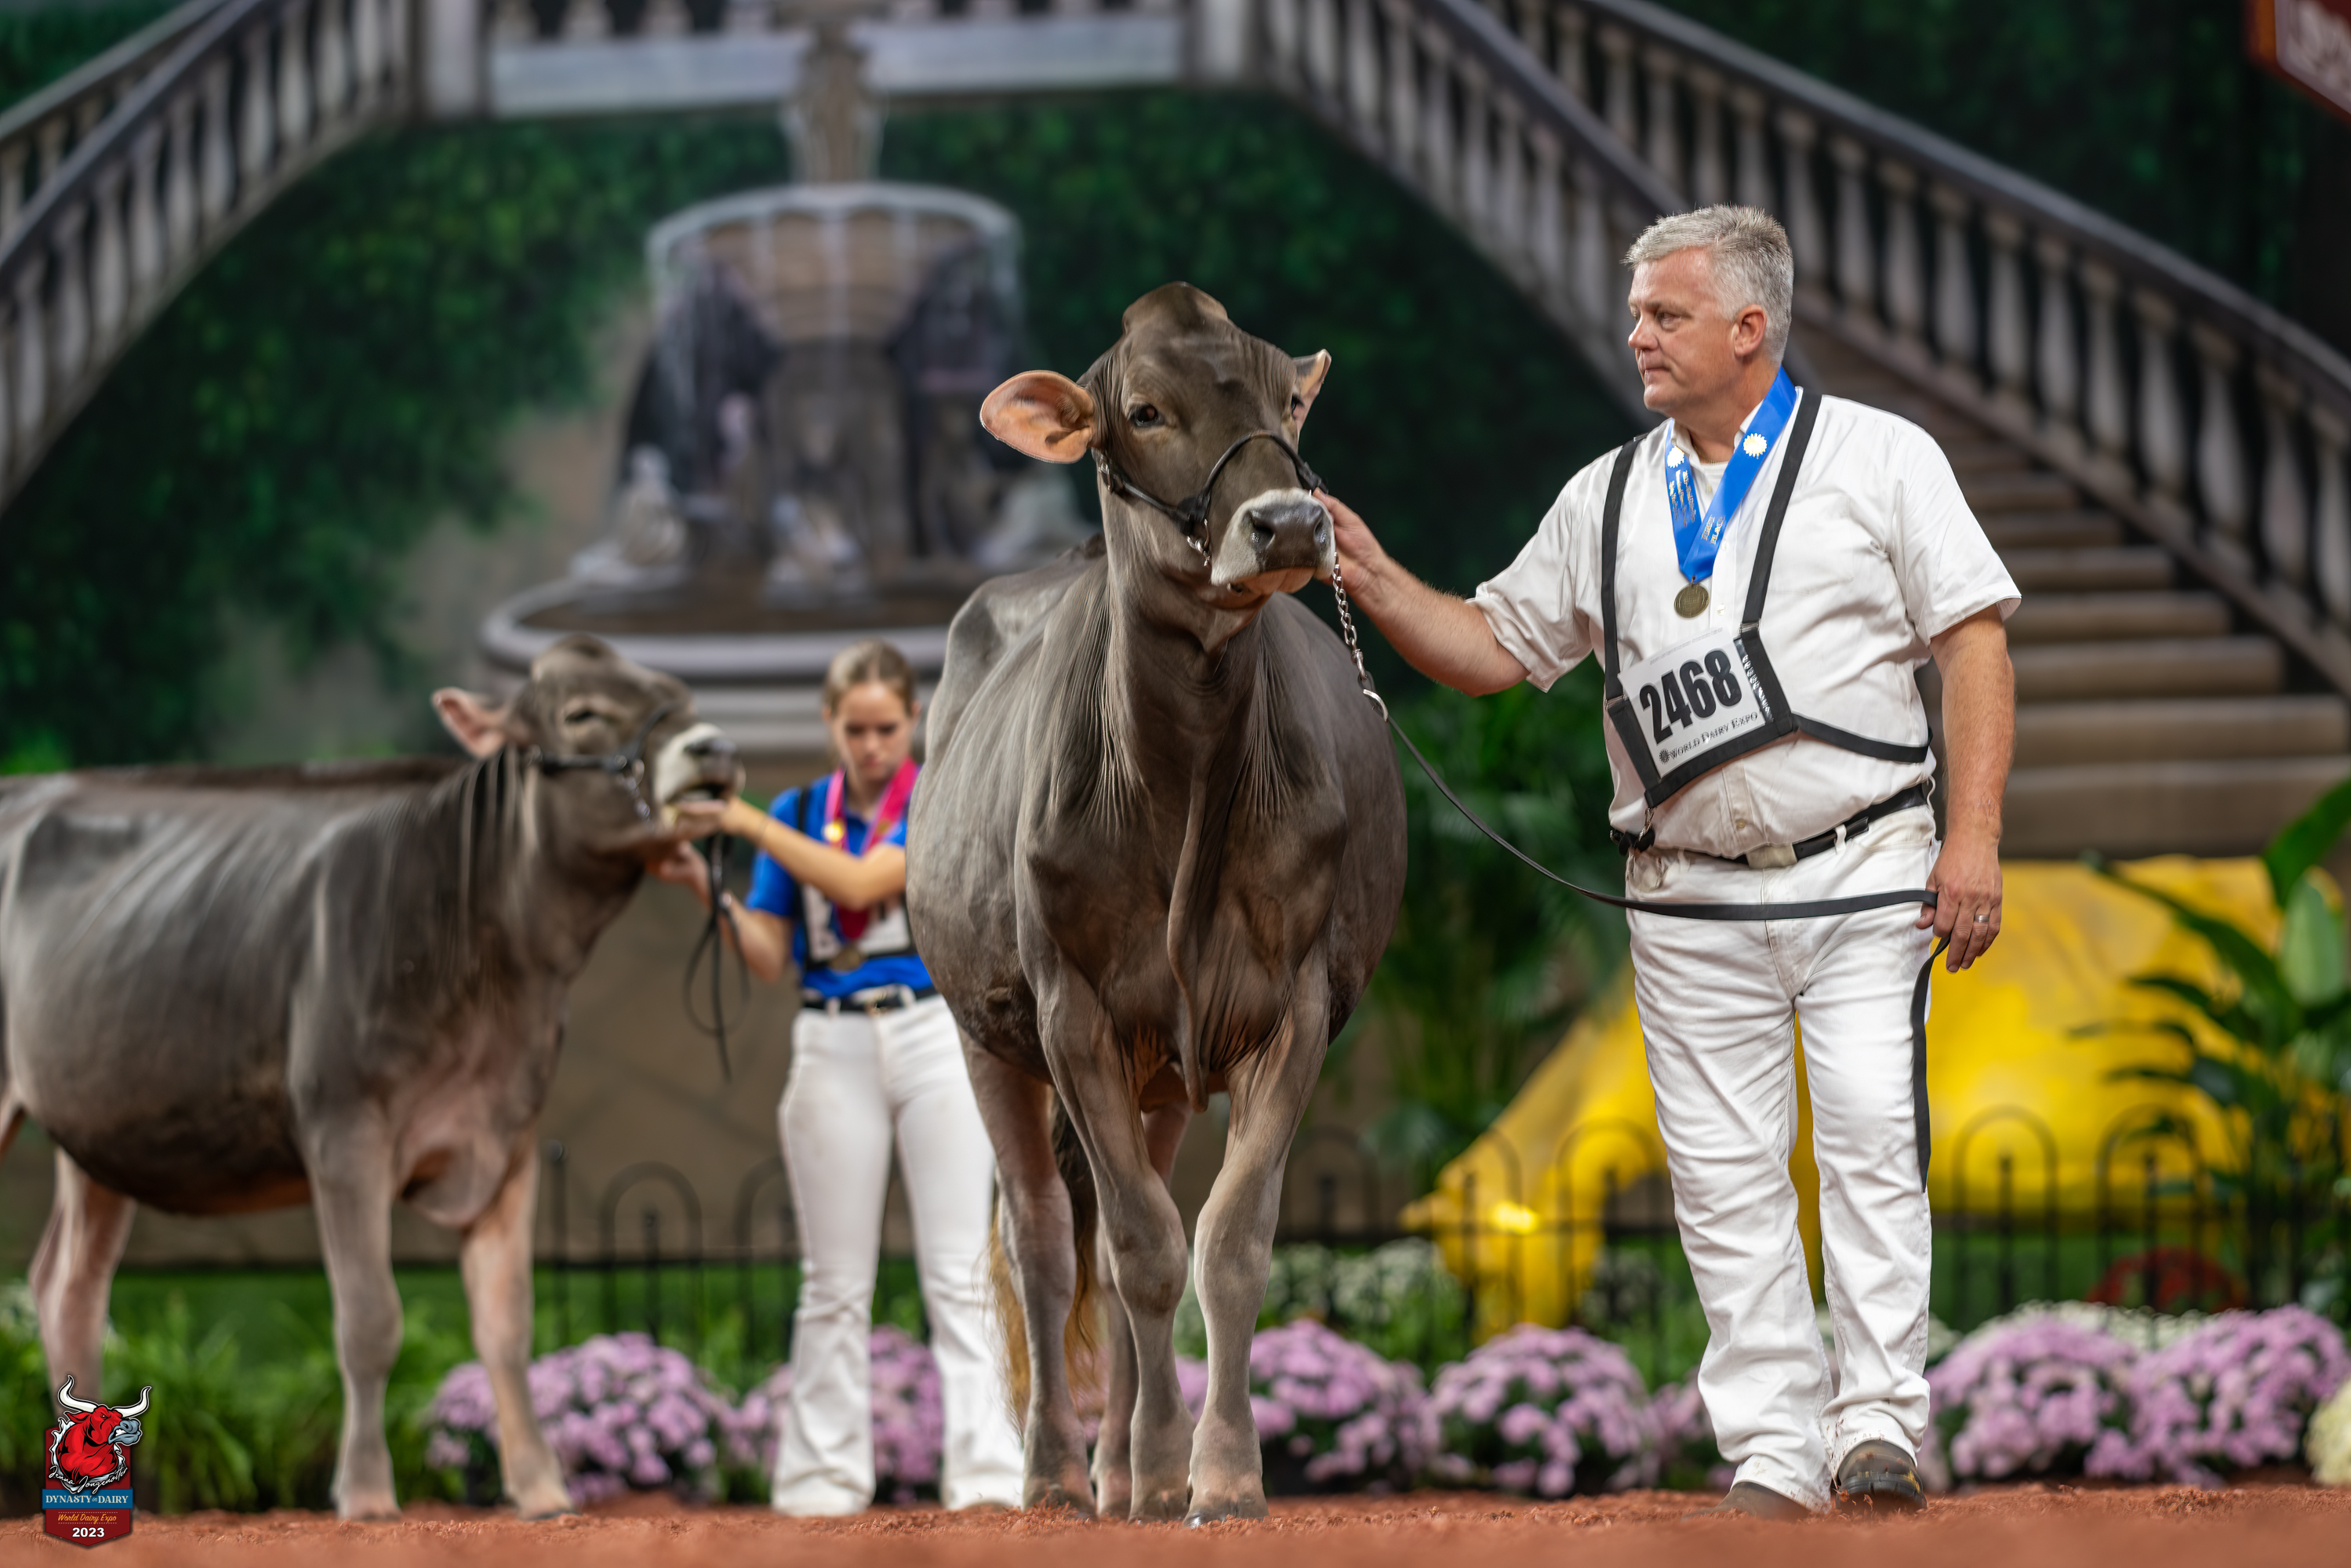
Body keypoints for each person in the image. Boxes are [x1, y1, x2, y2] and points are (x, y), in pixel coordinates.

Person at [1322, 206, 2016, 1517]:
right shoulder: (1604, 495)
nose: (1634, 332)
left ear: (1749, 328)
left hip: (1863, 864)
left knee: (1868, 1132)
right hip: (1683, 890)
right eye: (1636, 310)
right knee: (1719, 1173)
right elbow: (1491, 648)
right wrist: (1367, 573)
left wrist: (1971, 839)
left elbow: (1972, 642)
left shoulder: (1880, 456)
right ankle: (1773, 1450)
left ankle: (1875, 1427)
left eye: (1664, 313)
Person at [656, 637, 1023, 1515]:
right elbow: (767, 956)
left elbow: (862, 882)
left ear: (913, 720)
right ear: (829, 723)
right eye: (855, 729)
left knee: (960, 1270)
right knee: (832, 1283)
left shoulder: (932, 795)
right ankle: (821, 1482)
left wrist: (744, 824)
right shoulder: (799, 811)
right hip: (831, 1037)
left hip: (931, 1030)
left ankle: (988, 1474)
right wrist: (707, 887)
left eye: (885, 728)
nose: (871, 745)